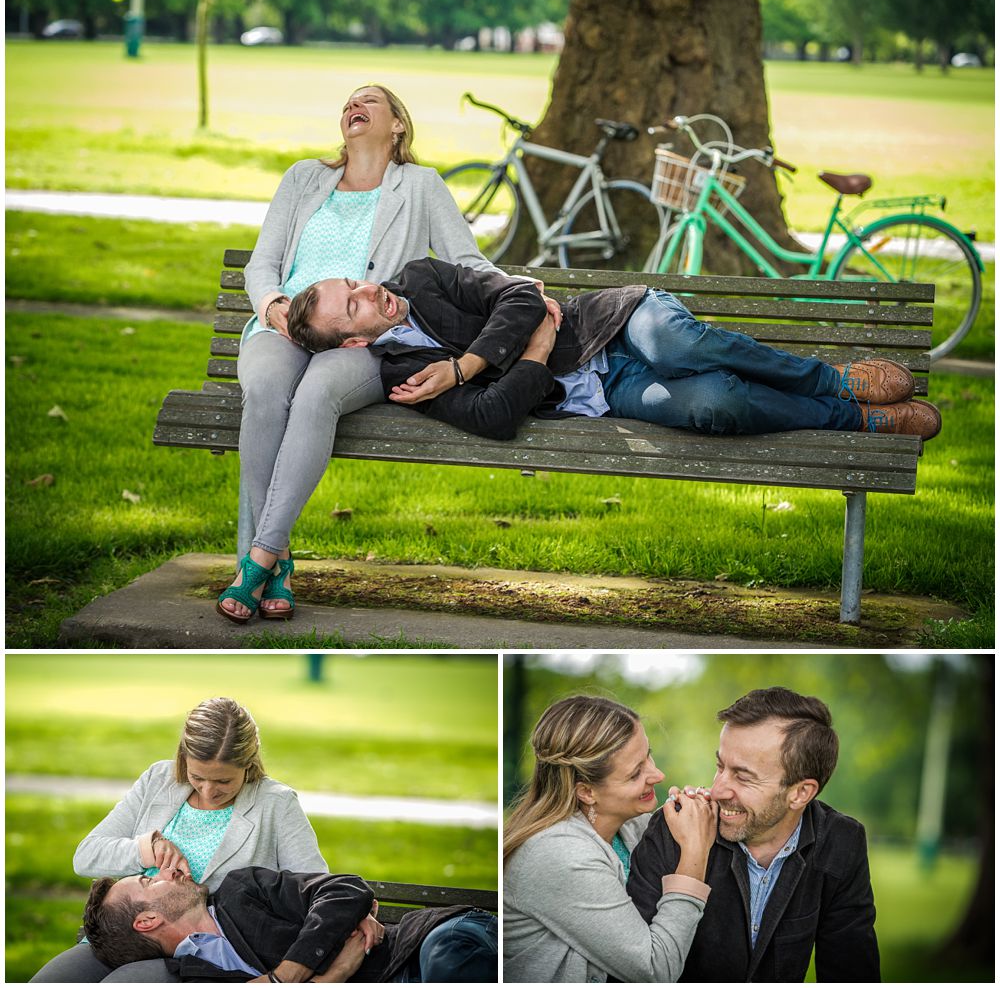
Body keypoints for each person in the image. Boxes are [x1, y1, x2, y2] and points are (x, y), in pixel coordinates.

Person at [218, 83, 552, 624]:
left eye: (370, 99)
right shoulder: (304, 178)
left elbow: (465, 259)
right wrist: (274, 304)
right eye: (350, 99)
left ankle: (257, 561)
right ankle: (271, 564)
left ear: (397, 124)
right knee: (266, 391)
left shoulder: (418, 185)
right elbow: (262, 265)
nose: (355, 105)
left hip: (366, 338)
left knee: (317, 394)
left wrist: (520, 286)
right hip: (284, 325)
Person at [285, 258, 942, 443]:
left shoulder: (423, 277)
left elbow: (516, 295)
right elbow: (492, 419)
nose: (372, 291)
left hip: (613, 323)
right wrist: (535, 353)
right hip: (599, 395)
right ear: (356, 339)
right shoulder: (403, 372)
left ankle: (832, 379)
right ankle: (854, 419)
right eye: (357, 305)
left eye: (357, 282)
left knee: (681, 346)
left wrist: (468, 365)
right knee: (714, 404)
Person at [31, 697, 326, 983]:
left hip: (203, 954)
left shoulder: (275, 803)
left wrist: (350, 915)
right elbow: (86, 856)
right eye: (198, 776)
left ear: (248, 764)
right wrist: (148, 849)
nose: (209, 791)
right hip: (125, 938)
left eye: (224, 781)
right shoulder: (159, 780)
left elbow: (315, 885)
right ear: (183, 757)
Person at [627, 686, 881, 982]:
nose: (718, 789)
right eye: (720, 766)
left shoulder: (841, 842)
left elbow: (851, 972)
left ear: (800, 793)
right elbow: (632, 971)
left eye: (743, 777)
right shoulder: (674, 828)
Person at [503, 695, 717, 983]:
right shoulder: (559, 854)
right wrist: (694, 853)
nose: (657, 774)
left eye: (648, 755)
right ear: (587, 791)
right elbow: (655, 970)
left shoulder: (627, 826)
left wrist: (697, 809)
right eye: (635, 774)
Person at [82, 865, 497, 983]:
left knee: (452, 962)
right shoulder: (196, 976)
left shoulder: (241, 889)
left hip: (425, 942)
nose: (165, 872)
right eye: (148, 880)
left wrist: (288, 974)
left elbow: (344, 890)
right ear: (147, 920)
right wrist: (330, 977)